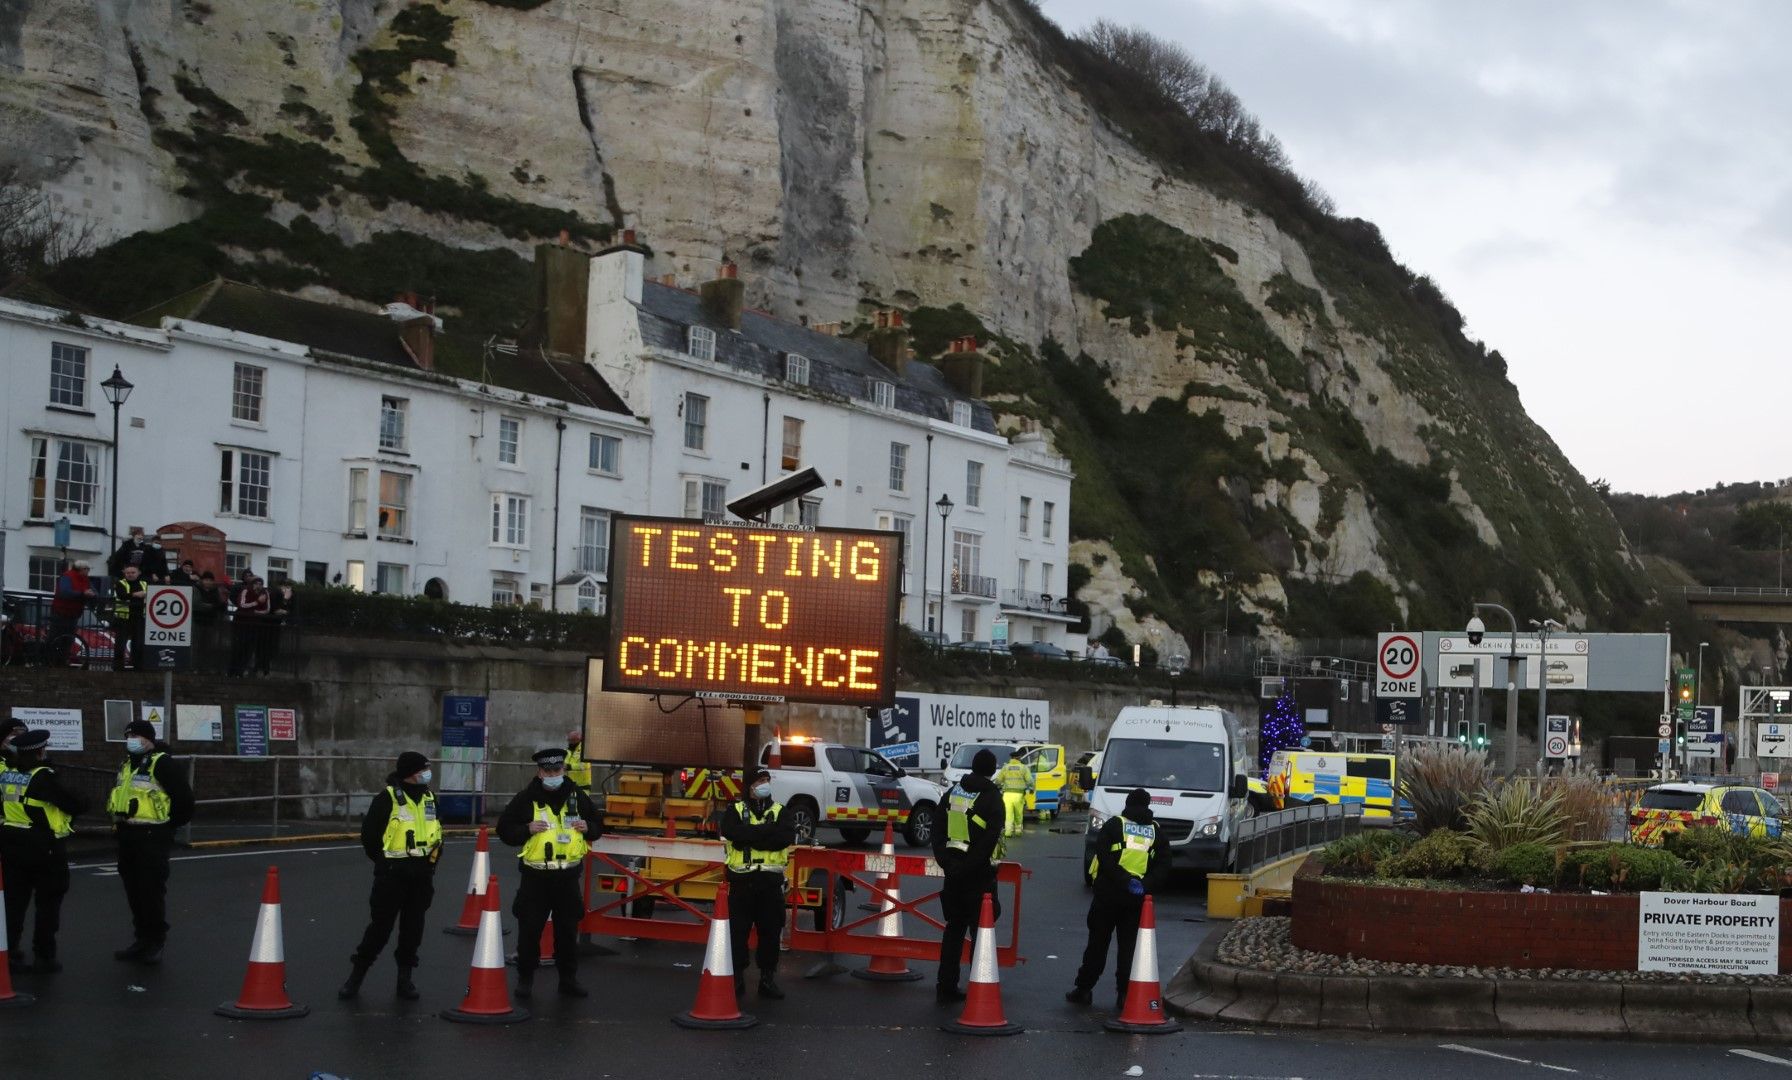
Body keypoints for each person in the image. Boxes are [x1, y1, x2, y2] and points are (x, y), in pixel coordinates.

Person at [497, 747, 602, 999]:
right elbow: (504, 830)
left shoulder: (577, 796)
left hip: (567, 877)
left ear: (563, 770)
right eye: (548, 771)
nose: (553, 774)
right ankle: (525, 979)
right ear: (539, 772)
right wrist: (526, 829)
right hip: (536, 878)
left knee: (567, 933)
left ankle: (568, 980)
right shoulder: (526, 798)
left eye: (557, 770)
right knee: (529, 932)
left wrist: (588, 827)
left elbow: (599, 826)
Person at [340, 751, 442, 1000]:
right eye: (423, 769)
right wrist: (386, 863)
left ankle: (404, 980)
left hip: (421, 877)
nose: (427, 774)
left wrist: (432, 862)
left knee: (413, 929)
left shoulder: (430, 798)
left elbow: (437, 832)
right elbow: (370, 837)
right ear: (410, 773)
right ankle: (356, 977)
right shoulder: (387, 799)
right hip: (392, 877)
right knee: (380, 929)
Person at [1066, 787, 1171, 1011]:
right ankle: (1124, 994)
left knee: (1097, 944)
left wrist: (1123, 880)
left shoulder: (1115, 825)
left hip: (1108, 895)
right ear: (1148, 805)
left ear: (1128, 803)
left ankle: (1084, 989)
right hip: (1136, 899)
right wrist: (1144, 884)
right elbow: (1164, 865)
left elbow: (1103, 858)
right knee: (1128, 947)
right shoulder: (1156, 831)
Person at [0, 729, 89, 972]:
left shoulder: (7, 775)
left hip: (11, 845)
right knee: (48, 904)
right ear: (40, 752)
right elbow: (76, 803)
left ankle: (9, 954)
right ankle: (44, 955)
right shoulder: (44, 777)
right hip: (44, 848)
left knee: (13, 905)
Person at [108, 720, 194, 965]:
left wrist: (168, 827)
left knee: (150, 892)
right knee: (134, 892)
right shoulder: (127, 764)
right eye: (129, 735)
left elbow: (184, 800)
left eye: (136, 735)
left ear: (148, 739)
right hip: (128, 835)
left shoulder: (162, 763)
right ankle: (141, 940)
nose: (131, 739)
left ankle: (155, 941)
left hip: (152, 837)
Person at [933, 747, 1004, 1004]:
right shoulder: (993, 799)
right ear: (992, 770)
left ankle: (946, 985)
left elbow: (937, 829)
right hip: (978, 876)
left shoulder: (953, 792)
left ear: (973, 767)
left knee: (953, 930)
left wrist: (946, 862)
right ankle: (978, 986)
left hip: (952, 873)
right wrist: (971, 866)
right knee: (980, 932)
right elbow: (990, 841)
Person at [718, 767, 795, 999]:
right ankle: (737, 980)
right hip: (742, 883)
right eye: (761, 780)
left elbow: (784, 837)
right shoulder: (735, 810)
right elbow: (732, 832)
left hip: (770, 884)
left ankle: (767, 980)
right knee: (737, 933)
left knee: (770, 933)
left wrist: (751, 836)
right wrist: (765, 833)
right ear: (750, 786)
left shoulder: (781, 811)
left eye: (767, 780)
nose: (765, 783)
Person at [49, 560, 97, 666]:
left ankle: (62, 661)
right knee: (55, 637)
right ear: (82, 569)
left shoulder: (85, 579)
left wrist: (92, 594)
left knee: (68, 639)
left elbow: (93, 591)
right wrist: (83, 593)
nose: (88, 572)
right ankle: (50, 660)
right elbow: (64, 592)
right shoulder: (67, 576)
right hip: (60, 612)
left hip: (74, 613)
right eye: (88, 569)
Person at [229, 577, 269, 677]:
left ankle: (241, 671)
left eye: (260, 584)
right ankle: (232, 671)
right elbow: (242, 605)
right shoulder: (246, 591)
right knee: (238, 648)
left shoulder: (265, 593)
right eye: (256, 583)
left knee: (249, 650)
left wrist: (256, 612)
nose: (258, 586)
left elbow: (267, 609)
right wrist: (256, 603)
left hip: (255, 625)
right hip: (241, 624)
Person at [111, 563, 148, 670]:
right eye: (127, 573)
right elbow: (122, 595)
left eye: (133, 572)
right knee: (120, 645)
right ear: (124, 573)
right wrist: (136, 595)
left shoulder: (144, 584)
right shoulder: (121, 583)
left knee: (139, 644)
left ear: (138, 573)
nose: (130, 575)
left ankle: (138, 666)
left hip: (139, 618)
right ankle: (118, 667)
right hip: (123, 618)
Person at [257, 581, 295, 676]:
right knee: (267, 649)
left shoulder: (275, 593)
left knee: (267, 649)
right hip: (269, 626)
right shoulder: (276, 593)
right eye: (286, 588)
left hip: (271, 626)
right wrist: (285, 601)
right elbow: (276, 609)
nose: (287, 591)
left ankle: (262, 670)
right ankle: (263, 671)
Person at [997, 749, 1034, 837]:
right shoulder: (1023, 767)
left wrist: (997, 786)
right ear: (1019, 758)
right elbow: (1030, 781)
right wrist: (1032, 789)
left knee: (1008, 814)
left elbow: (998, 780)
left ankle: (1008, 832)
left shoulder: (1006, 767)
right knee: (1018, 814)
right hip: (1018, 795)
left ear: (1011, 758)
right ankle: (1018, 832)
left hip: (1007, 795)